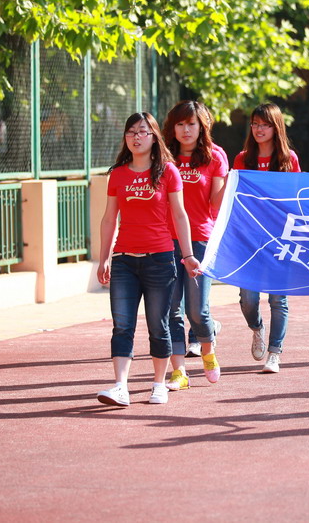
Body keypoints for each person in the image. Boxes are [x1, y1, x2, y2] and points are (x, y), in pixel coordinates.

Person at [95, 112, 201, 407]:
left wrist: (188, 255)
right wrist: (104, 259)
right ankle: (120, 387)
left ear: (154, 137)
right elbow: (109, 219)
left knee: (159, 324)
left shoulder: (168, 172)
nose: (136, 137)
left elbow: (179, 215)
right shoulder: (118, 174)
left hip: (160, 260)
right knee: (122, 325)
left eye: (142, 132)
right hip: (124, 261)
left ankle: (158, 384)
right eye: (131, 132)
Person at [160, 100, 229, 392]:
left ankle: (208, 349)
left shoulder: (215, 156)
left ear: (202, 126)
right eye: (180, 124)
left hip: (200, 239)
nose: (186, 130)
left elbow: (215, 203)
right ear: (172, 127)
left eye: (191, 124)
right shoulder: (163, 156)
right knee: (171, 310)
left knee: (197, 311)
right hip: (165, 240)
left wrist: (231, 181)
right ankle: (179, 372)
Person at [233, 102, 301, 373]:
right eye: (255, 124)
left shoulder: (288, 159)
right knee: (248, 298)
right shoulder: (242, 159)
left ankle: (275, 353)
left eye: (265, 125)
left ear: (276, 127)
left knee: (278, 299)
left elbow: (296, 198)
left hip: (281, 237)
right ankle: (257, 328)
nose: (259, 129)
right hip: (249, 239)